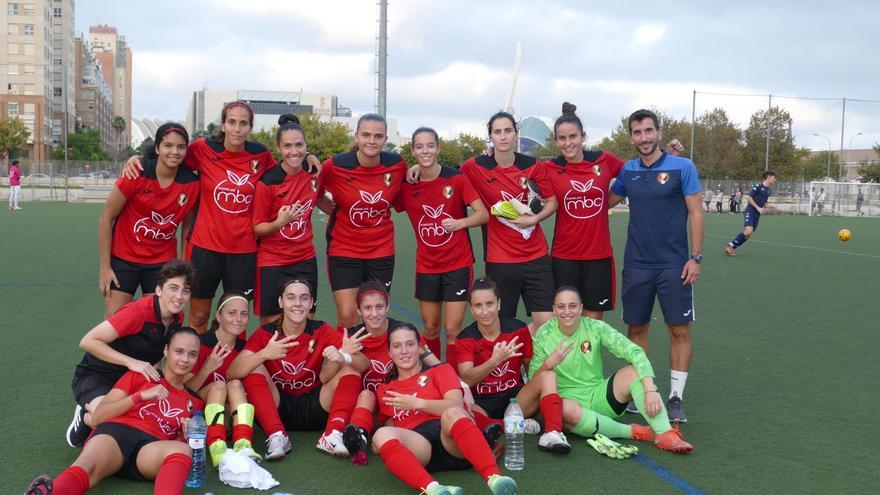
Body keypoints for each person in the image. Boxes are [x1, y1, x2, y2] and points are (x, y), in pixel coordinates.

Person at [123, 103, 321, 333]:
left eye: (243, 123)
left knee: (237, 319)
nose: (237, 128)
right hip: (205, 248)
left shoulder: (260, 154)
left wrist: (309, 156)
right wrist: (139, 158)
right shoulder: (202, 148)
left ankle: (232, 367)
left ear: (250, 127)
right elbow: (170, 157)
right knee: (198, 316)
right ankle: (195, 365)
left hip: (244, 251)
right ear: (223, 125)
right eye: (232, 122)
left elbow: (289, 161)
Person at [26, 328, 205, 495]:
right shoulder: (141, 375)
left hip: (149, 449)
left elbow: (177, 447)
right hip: (117, 434)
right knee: (87, 466)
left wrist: (184, 435)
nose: (184, 359)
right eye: (178, 351)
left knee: (182, 450)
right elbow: (99, 416)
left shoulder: (195, 402)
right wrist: (140, 396)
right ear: (166, 350)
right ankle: (50, 492)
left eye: (192, 354)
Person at [609, 109, 704, 423]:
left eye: (648, 131)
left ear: (659, 133)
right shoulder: (628, 171)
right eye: (637, 133)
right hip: (637, 264)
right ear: (631, 137)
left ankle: (676, 397)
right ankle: (642, 389)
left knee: (679, 329)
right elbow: (604, 200)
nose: (644, 138)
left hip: (674, 264)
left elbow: (696, 213)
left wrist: (695, 257)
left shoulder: (682, 167)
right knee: (636, 329)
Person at [528, 288, 693, 454]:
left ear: (580, 307)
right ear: (554, 309)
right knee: (563, 410)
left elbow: (635, 352)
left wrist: (650, 389)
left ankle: (666, 433)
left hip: (599, 397)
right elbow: (534, 380)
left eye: (572, 306)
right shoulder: (544, 334)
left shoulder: (595, 327)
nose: (567, 311)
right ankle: (635, 431)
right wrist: (550, 363)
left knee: (633, 372)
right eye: (561, 306)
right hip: (568, 404)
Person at [226, 279, 366, 460]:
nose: (298, 304)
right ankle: (276, 435)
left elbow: (364, 364)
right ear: (280, 302)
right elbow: (232, 372)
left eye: (304, 298)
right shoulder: (266, 333)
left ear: (311, 303)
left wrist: (343, 356)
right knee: (254, 367)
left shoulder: (321, 330)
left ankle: (333, 434)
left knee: (350, 367)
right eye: (291, 298)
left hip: (315, 406)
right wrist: (264, 354)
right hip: (277, 407)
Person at [372, 323, 519, 495]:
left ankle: (494, 479)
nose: (404, 351)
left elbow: (455, 404)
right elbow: (391, 424)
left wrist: (418, 403)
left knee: (452, 412)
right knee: (380, 434)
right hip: (420, 446)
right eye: (397, 346)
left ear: (419, 347)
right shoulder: (385, 389)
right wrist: (381, 445)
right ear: (389, 352)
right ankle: (434, 489)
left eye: (410, 344)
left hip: (452, 440)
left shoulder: (441, 370)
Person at [66, 259, 195, 448]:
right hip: (98, 375)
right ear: (159, 289)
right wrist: (130, 362)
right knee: (102, 419)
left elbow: (157, 353)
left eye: (185, 291)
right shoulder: (138, 311)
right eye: (173, 288)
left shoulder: (177, 317)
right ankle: (84, 415)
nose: (179, 296)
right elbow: (87, 341)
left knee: (140, 416)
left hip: (132, 378)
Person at [394, 127, 488, 360]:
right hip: (427, 266)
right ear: (413, 151)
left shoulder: (456, 178)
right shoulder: (408, 184)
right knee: (430, 328)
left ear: (438, 148)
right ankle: (434, 375)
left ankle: (455, 381)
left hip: (457, 263)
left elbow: (482, 214)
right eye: (419, 146)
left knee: (453, 330)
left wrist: (460, 223)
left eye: (430, 145)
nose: (425, 151)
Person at [328, 280, 441, 462]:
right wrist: (342, 352)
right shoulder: (349, 336)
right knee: (366, 394)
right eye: (368, 308)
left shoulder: (403, 333)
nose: (374, 314)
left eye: (379, 307)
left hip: (399, 405)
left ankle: (363, 438)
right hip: (364, 407)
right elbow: (324, 377)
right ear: (358, 310)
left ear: (388, 307)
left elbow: (434, 364)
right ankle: (359, 439)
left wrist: (459, 384)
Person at [456, 277, 571, 454]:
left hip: (516, 400)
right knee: (462, 410)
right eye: (478, 306)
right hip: (482, 402)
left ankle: (552, 433)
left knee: (548, 375)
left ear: (499, 304)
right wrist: (495, 360)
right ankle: (511, 425)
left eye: (490, 304)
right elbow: (467, 378)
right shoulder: (465, 338)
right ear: (471, 309)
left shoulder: (517, 329)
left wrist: (548, 367)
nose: (485, 311)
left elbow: (532, 371)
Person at [98, 123, 199, 317]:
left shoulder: (192, 184)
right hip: (124, 258)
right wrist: (105, 267)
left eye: (181, 147)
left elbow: (187, 231)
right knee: (115, 320)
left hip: (161, 262)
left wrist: (182, 269)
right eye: (168, 145)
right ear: (157, 148)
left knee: (158, 320)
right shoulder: (137, 173)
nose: (174, 151)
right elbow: (106, 218)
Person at [319, 113, 407, 329]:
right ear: (357, 136)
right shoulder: (335, 166)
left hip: (381, 250)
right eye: (366, 135)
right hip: (344, 249)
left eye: (378, 136)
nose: (371, 141)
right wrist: (334, 210)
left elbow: (402, 193)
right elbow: (315, 193)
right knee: (348, 316)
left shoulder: (397, 165)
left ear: (386, 139)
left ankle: (374, 362)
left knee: (375, 315)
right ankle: (345, 362)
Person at [542, 102, 625, 320]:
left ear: (583, 136)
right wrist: (491, 154)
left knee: (593, 322)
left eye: (573, 136)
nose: (568, 143)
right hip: (564, 257)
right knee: (565, 320)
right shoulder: (549, 168)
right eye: (562, 138)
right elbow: (517, 174)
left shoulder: (603, 160)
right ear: (556, 141)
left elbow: (634, 174)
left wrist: (609, 201)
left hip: (598, 255)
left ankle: (589, 356)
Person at [252, 114, 321, 325]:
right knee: (272, 325)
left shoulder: (315, 173)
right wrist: (279, 223)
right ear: (279, 148)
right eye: (287, 146)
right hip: (273, 262)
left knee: (305, 321)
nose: (294, 151)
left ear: (306, 146)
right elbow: (258, 228)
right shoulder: (268, 182)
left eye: (299, 145)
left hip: (305, 259)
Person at [185, 292, 259, 467]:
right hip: (197, 415)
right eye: (231, 313)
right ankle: (216, 445)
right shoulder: (200, 343)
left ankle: (243, 443)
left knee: (234, 384)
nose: (238, 319)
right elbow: (185, 392)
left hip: (227, 415)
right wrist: (206, 369)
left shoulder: (244, 350)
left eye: (243, 314)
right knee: (219, 386)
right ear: (218, 316)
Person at [725, 171, 777, 256]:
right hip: (750, 210)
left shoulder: (768, 190)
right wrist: (757, 207)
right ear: (769, 177)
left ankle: (732, 247)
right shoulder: (758, 186)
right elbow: (749, 198)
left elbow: (763, 202)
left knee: (748, 234)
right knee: (748, 231)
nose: (775, 180)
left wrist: (769, 206)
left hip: (757, 213)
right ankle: (729, 246)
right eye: (774, 177)